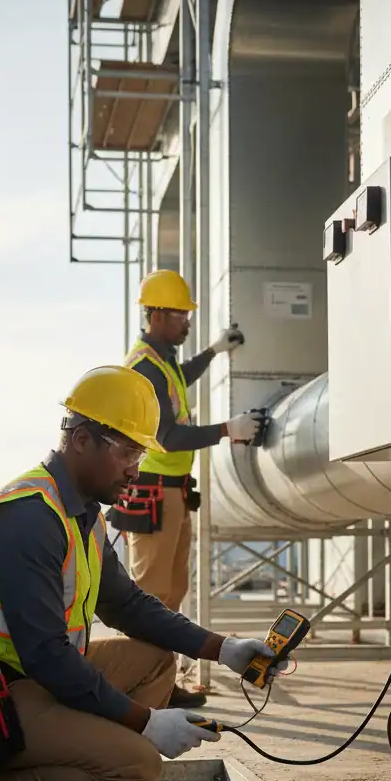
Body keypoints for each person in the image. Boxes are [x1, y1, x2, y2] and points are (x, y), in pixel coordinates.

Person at [0, 365, 284, 781]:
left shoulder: (79, 511)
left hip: (26, 677)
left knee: (156, 659)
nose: (136, 468)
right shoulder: (27, 515)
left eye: (141, 454)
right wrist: (147, 724)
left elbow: (126, 605)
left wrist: (224, 650)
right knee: (135, 766)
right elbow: (46, 654)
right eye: (127, 452)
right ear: (81, 440)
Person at [108, 269, 265, 708]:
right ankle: (144, 687)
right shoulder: (143, 365)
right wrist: (227, 430)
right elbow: (169, 436)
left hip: (173, 491)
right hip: (154, 491)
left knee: (170, 595)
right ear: (156, 315)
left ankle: (162, 684)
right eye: (180, 313)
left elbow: (180, 377)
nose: (187, 321)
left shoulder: (162, 360)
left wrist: (213, 351)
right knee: (151, 596)